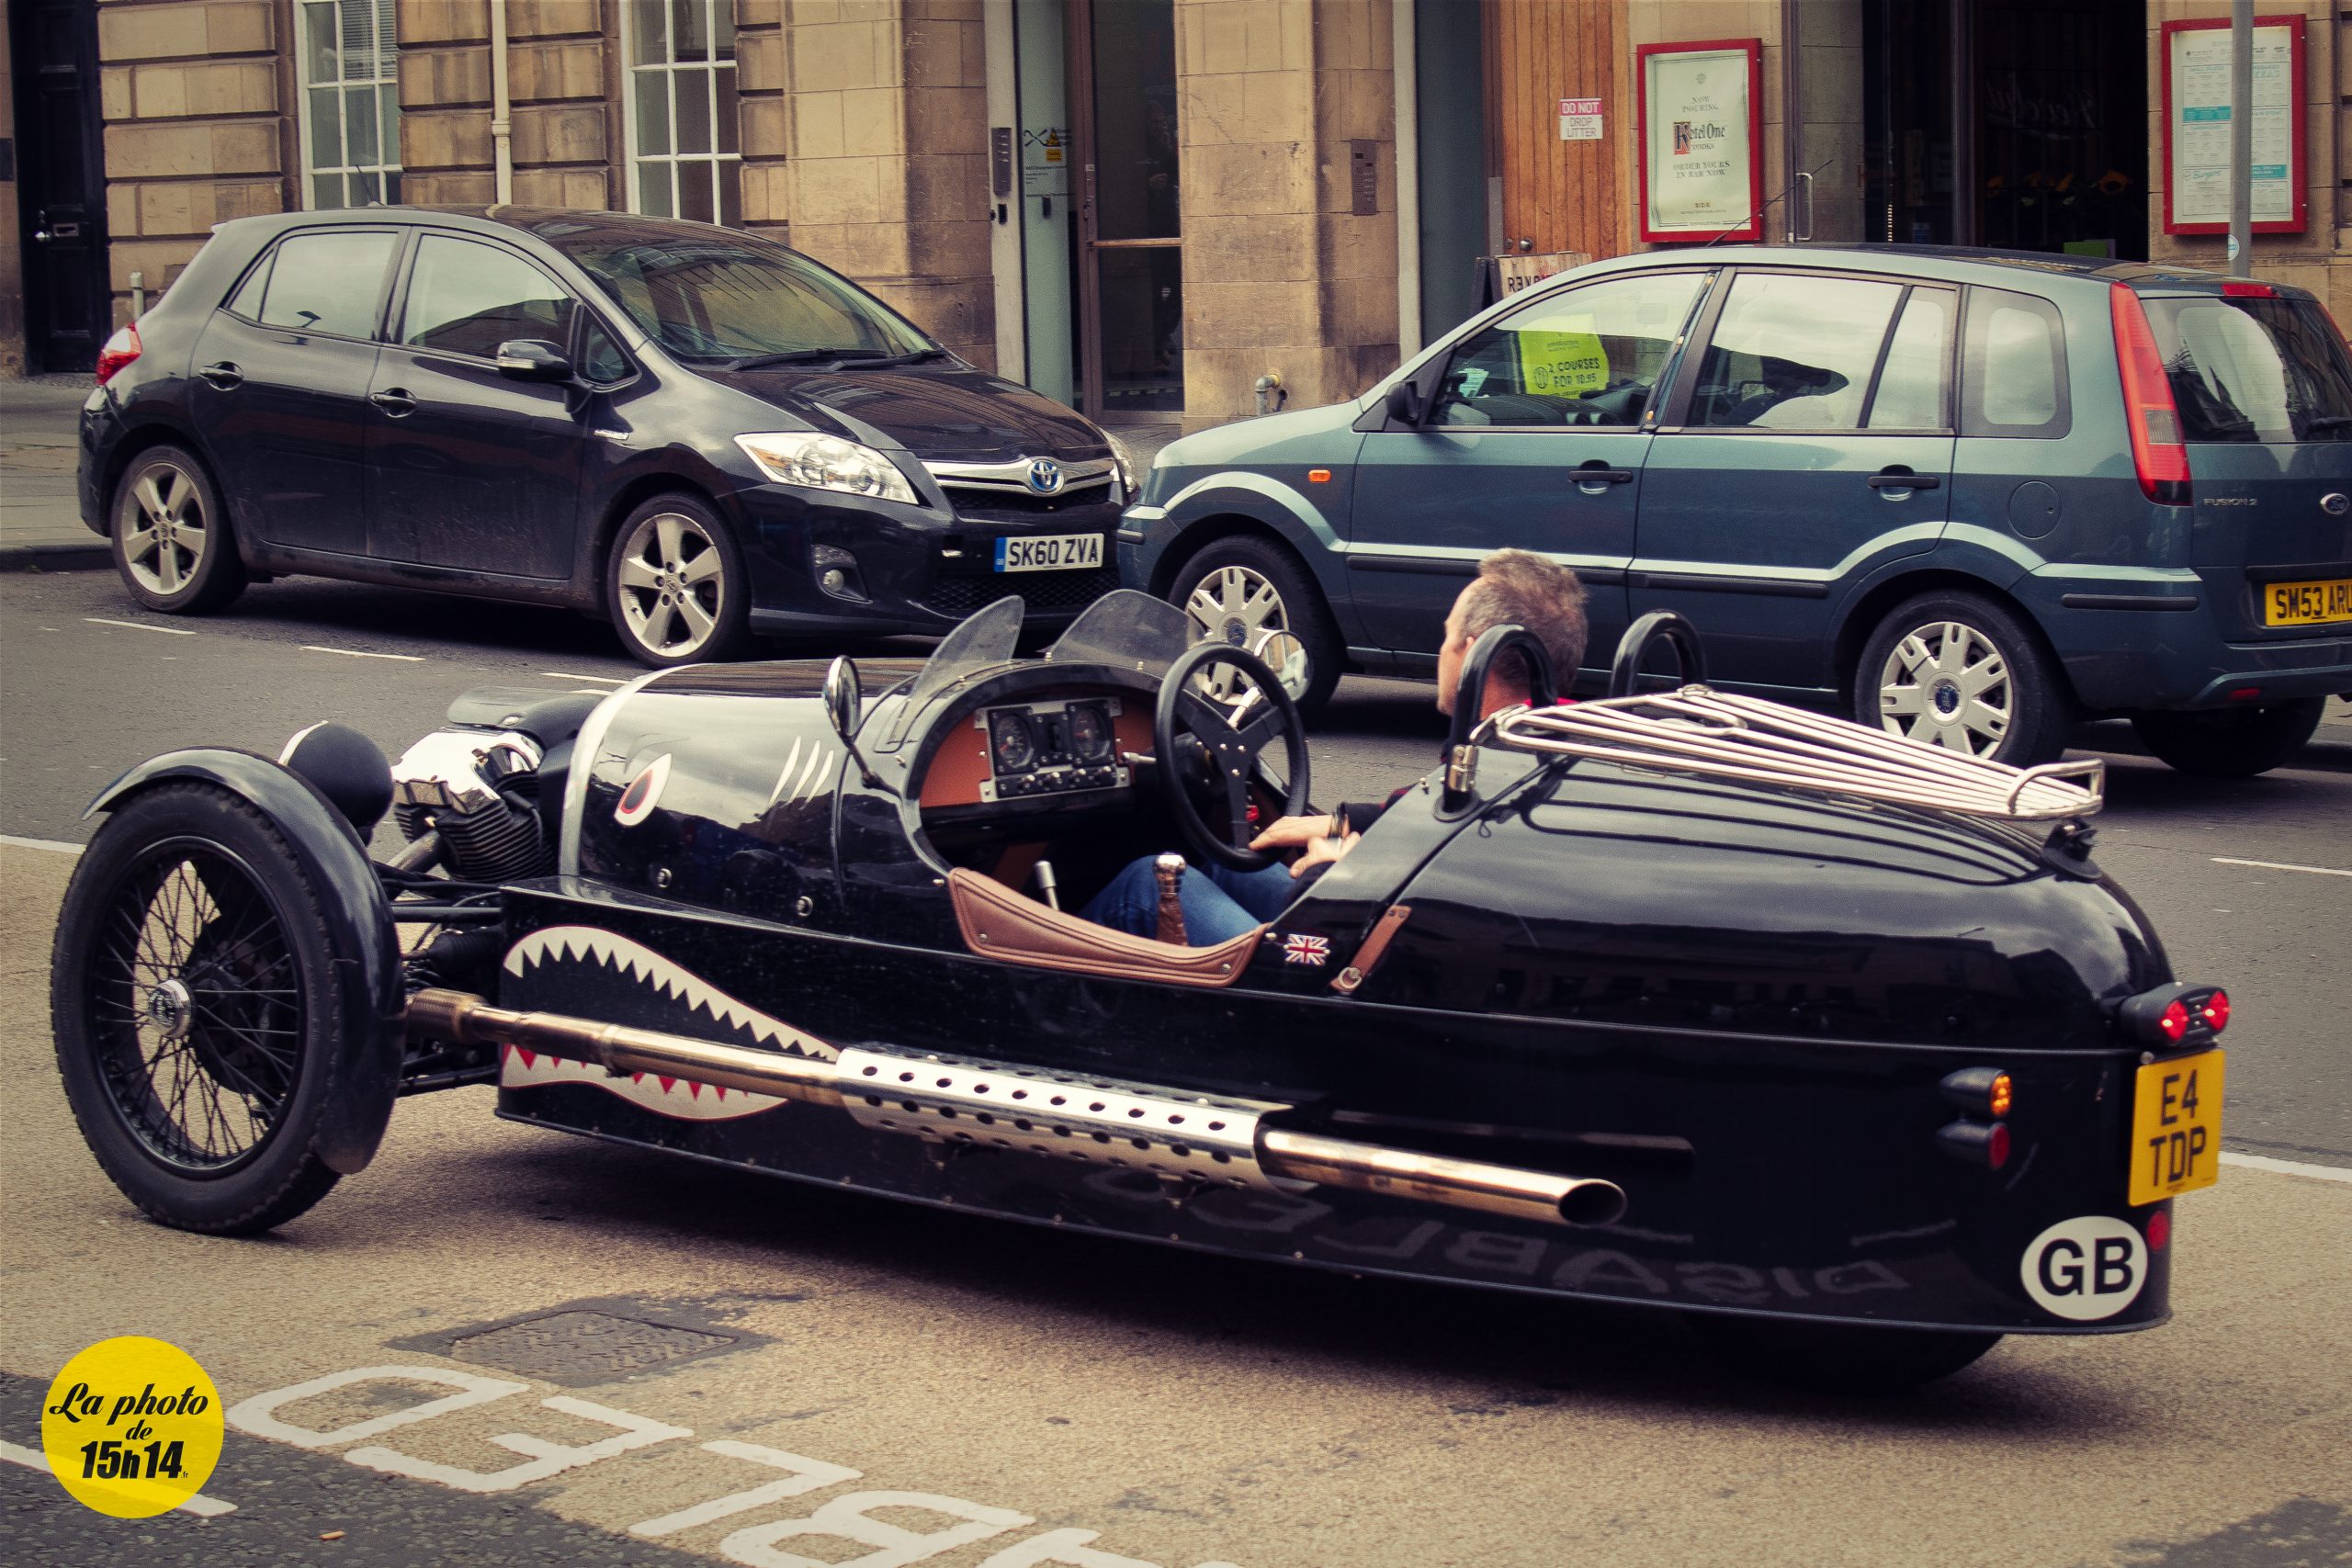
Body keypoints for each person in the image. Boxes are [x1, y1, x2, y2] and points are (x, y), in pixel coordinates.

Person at [1080, 549, 1590, 945]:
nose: (1442, 652)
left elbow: (1402, 884)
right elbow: (1427, 808)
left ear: (1477, 649)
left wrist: (1327, 870)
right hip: (1392, 935)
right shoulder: (1545, 743)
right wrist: (1343, 822)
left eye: (1447, 637)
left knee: (1148, 883)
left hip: (1354, 967)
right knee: (1222, 861)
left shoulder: (1497, 766)